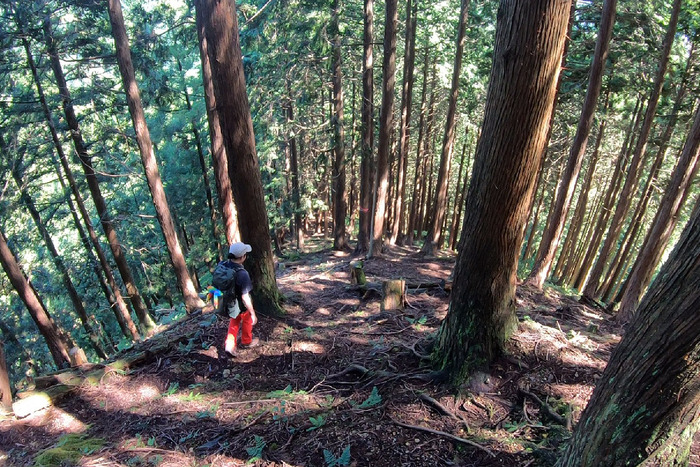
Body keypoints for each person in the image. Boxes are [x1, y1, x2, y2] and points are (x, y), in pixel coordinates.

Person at [223, 242, 259, 356]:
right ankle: (247, 341)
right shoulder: (243, 274)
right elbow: (245, 297)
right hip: (240, 304)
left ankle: (229, 345)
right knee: (247, 319)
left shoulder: (224, 265)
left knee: (234, 321)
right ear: (243, 257)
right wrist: (253, 312)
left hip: (229, 302)